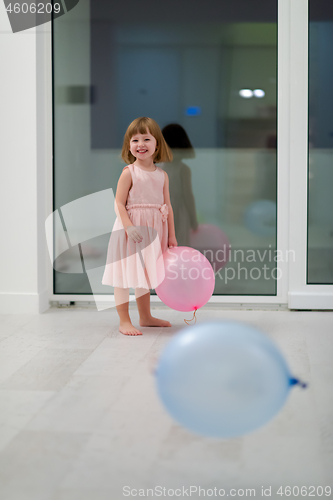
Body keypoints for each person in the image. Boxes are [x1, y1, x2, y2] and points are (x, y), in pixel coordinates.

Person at [102, 117, 178, 336]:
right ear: (129, 146)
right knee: (125, 275)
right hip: (131, 230)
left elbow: (168, 206)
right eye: (135, 140)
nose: (140, 144)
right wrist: (128, 227)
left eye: (146, 139)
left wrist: (171, 235)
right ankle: (124, 320)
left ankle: (145, 316)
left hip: (154, 231)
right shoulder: (129, 173)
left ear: (157, 144)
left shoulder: (162, 175)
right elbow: (118, 203)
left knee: (144, 274)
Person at [161, 124, 199, 246]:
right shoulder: (183, 169)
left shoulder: (159, 168)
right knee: (180, 243)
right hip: (179, 210)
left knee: (164, 244)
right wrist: (193, 220)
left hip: (163, 211)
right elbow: (188, 196)